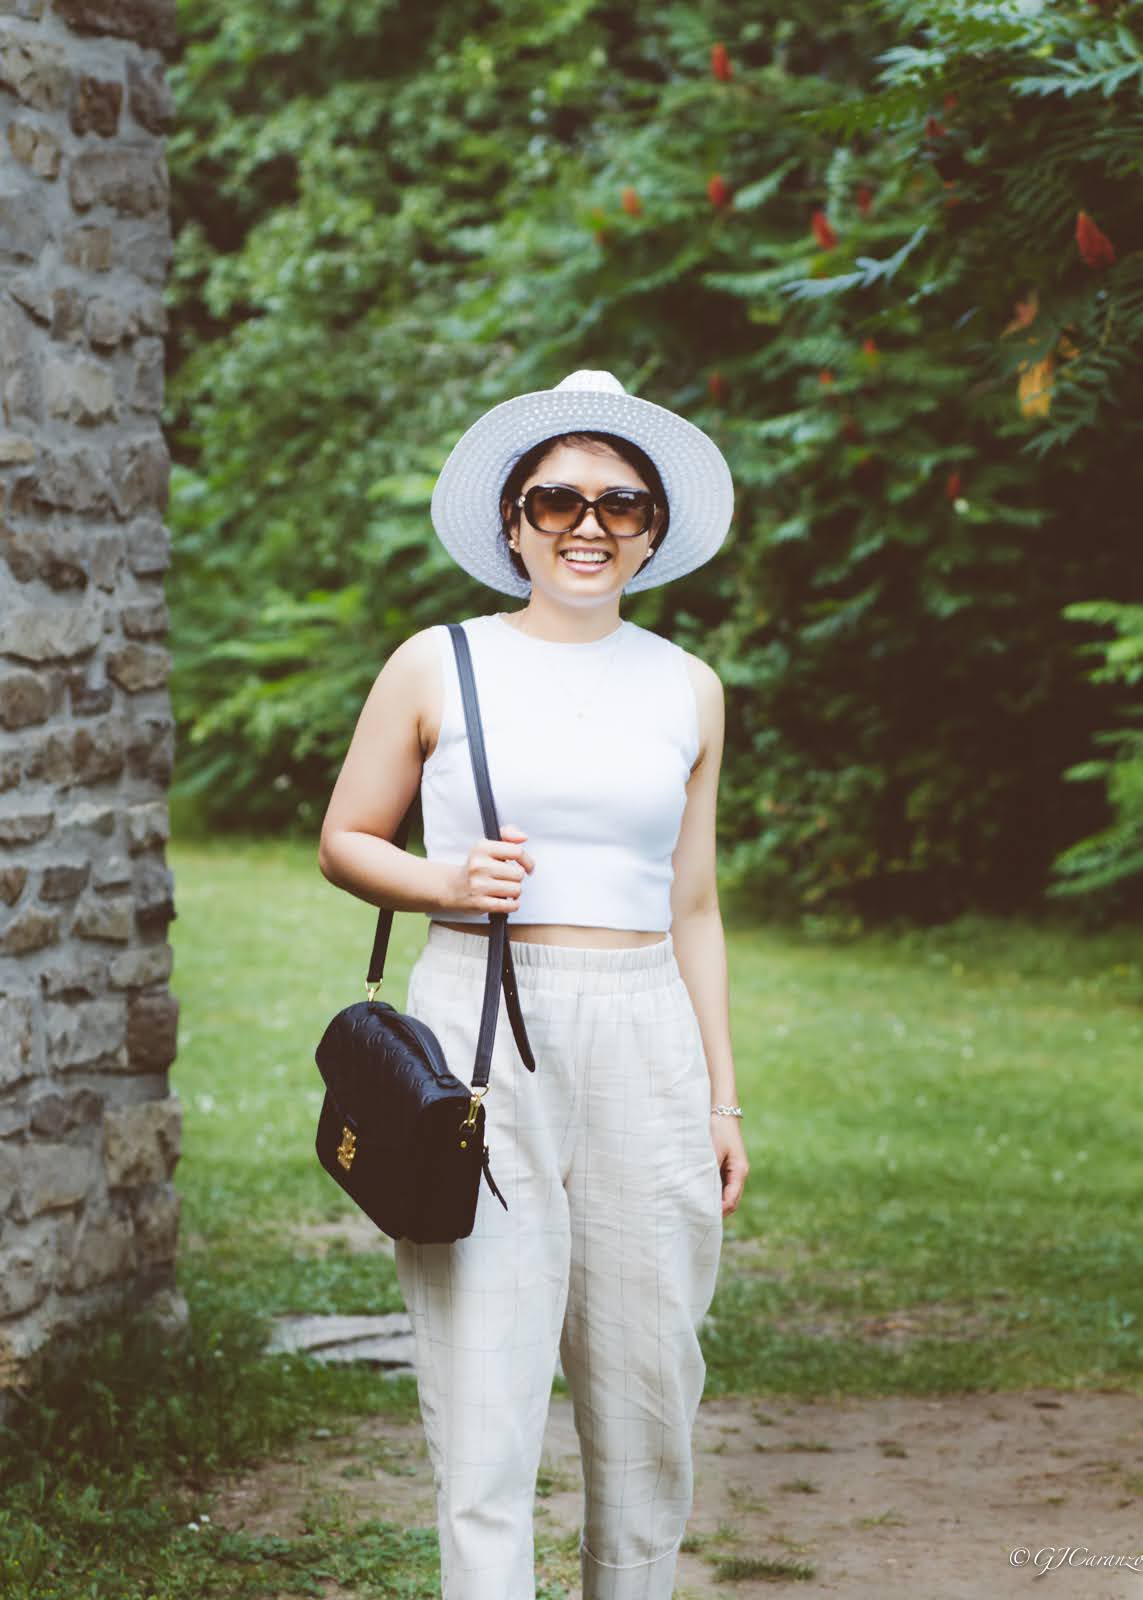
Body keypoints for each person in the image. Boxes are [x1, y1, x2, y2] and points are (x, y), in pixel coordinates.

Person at [318, 369, 749, 1600]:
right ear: (513, 521)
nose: (588, 523)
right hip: (482, 1025)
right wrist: (443, 880)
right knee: (487, 1394)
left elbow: (695, 904)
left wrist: (722, 1101)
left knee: (650, 1390)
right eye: (557, 498)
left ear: (653, 529)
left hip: (646, 1032)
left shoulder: (687, 686)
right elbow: (346, 837)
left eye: (621, 501)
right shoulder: (435, 663)